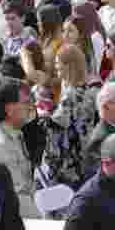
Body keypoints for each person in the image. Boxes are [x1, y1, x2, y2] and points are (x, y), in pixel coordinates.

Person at [38, 45, 100, 188]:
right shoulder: (88, 88)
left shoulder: (72, 93)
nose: (56, 67)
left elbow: (59, 122)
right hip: (86, 146)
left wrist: (42, 115)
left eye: (58, 65)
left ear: (69, 66)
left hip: (72, 153)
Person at [0, 79, 42, 218]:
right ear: (9, 109)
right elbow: (18, 198)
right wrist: (43, 226)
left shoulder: (12, 132)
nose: (31, 107)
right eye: (26, 102)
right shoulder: (1, 146)